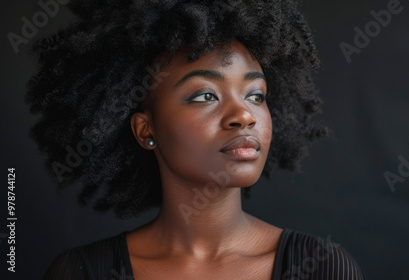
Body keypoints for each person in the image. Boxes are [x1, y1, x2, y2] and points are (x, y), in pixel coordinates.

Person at [27, 0, 367, 279]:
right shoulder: (83, 273)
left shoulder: (321, 268)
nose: (244, 115)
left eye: (255, 95)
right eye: (205, 96)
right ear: (146, 130)